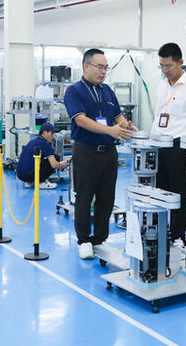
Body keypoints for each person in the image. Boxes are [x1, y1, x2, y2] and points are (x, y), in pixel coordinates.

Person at [64, 48, 137, 260]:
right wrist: (110, 130)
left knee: (106, 197)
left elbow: (118, 118)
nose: (103, 71)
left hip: (109, 153)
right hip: (86, 151)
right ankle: (84, 240)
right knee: (84, 197)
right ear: (86, 66)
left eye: (106, 67)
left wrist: (128, 127)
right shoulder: (74, 91)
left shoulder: (107, 91)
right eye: (99, 67)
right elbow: (81, 120)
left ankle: (99, 238)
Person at [150, 42, 186, 246]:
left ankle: (178, 235)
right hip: (159, 144)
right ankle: (158, 232)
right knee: (158, 192)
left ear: (180, 62)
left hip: (178, 146)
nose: (165, 70)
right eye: (161, 66)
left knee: (177, 193)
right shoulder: (161, 85)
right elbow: (158, 116)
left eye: (168, 66)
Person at [16, 123, 70, 189]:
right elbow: (54, 165)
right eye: (51, 133)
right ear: (45, 132)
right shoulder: (45, 144)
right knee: (56, 158)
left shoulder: (33, 141)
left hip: (20, 175)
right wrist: (64, 164)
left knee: (38, 161)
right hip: (30, 175)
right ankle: (41, 182)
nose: (53, 136)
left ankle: (30, 182)